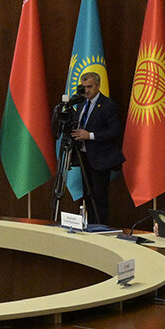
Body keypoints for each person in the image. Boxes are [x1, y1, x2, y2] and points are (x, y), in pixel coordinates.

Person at [68, 70, 123, 225]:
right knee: (87, 195)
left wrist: (90, 135)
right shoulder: (80, 104)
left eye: (90, 87)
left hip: (101, 158)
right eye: (83, 86)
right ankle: (90, 225)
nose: (86, 90)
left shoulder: (108, 105)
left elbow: (114, 132)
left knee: (99, 196)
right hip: (83, 157)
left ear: (98, 86)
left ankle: (100, 226)